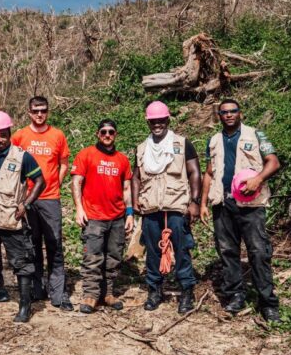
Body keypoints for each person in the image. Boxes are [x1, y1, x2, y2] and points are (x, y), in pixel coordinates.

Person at [201, 99, 282, 322]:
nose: (228, 115)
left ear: (240, 114)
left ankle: (267, 303)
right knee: (227, 251)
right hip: (222, 204)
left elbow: (273, 162)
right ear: (219, 116)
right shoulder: (214, 140)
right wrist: (202, 203)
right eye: (224, 112)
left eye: (233, 111)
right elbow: (209, 173)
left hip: (250, 205)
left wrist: (258, 179)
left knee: (258, 252)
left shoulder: (256, 135)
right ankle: (235, 295)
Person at [0, 111, 46, 323]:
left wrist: (27, 203)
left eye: (3, 135)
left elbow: (40, 181)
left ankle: (24, 306)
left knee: (21, 262)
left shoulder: (22, 156)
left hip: (10, 218)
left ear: (9, 133)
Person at [132, 101, 201, 314]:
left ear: (168, 120)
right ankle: (155, 290)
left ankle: (186, 292)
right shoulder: (142, 148)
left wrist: (195, 202)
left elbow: (194, 172)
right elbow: (135, 177)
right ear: (148, 122)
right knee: (153, 251)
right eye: (153, 121)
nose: (157, 124)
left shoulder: (182, 143)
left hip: (176, 205)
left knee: (181, 250)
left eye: (161, 120)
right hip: (151, 206)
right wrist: (134, 201)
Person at [11, 96, 72, 311]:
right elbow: (13, 164)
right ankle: (37, 289)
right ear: (29, 112)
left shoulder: (57, 135)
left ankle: (59, 293)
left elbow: (63, 164)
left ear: (48, 112)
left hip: (50, 199)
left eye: (43, 110)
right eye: (35, 110)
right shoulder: (19, 136)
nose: (39, 114)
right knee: (32, 245)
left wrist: (55, 182)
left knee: (54, 245)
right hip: (28, 200)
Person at [70, 119, 134, 314]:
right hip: (94, 217)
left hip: (117, 217)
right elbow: (76, 182)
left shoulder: (122, 159)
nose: (107, 135)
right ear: (98, 134)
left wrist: (130, 213)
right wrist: (79, 208)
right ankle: (91, 295)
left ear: (115, 135)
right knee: (93, 257)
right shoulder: (86, 154)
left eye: (111, 132)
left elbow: (126, 188)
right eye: (104, 132)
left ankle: (108, 293)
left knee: (114, 257)